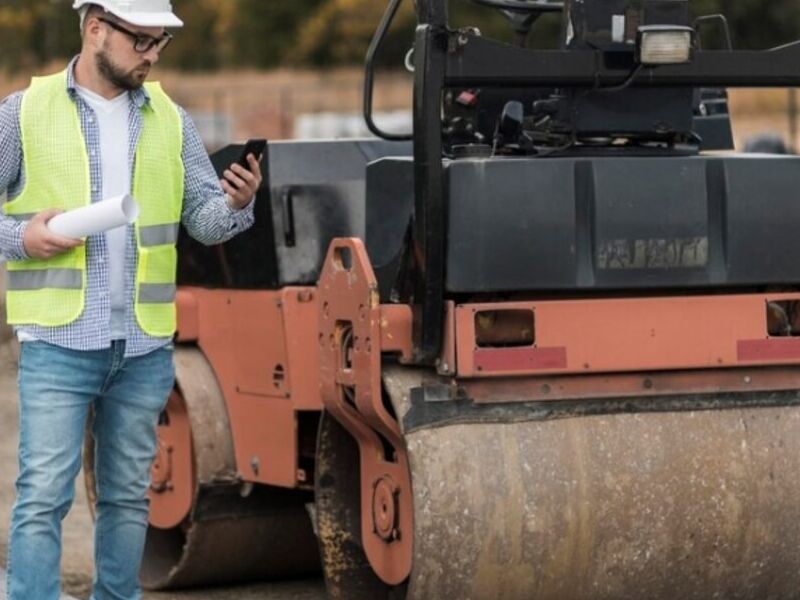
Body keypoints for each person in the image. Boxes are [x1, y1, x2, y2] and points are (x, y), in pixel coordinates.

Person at [0, 1, 263, 598]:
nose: (153, 55)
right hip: (58, 344)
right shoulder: (23, 114)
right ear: (96, 29)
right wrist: (22, 236)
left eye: (160, 43)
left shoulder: (170, 118)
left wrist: (237, 205)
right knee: (44, 497)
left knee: (127, 496)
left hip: (143, 345)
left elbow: (204, 220)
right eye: (142, 41)